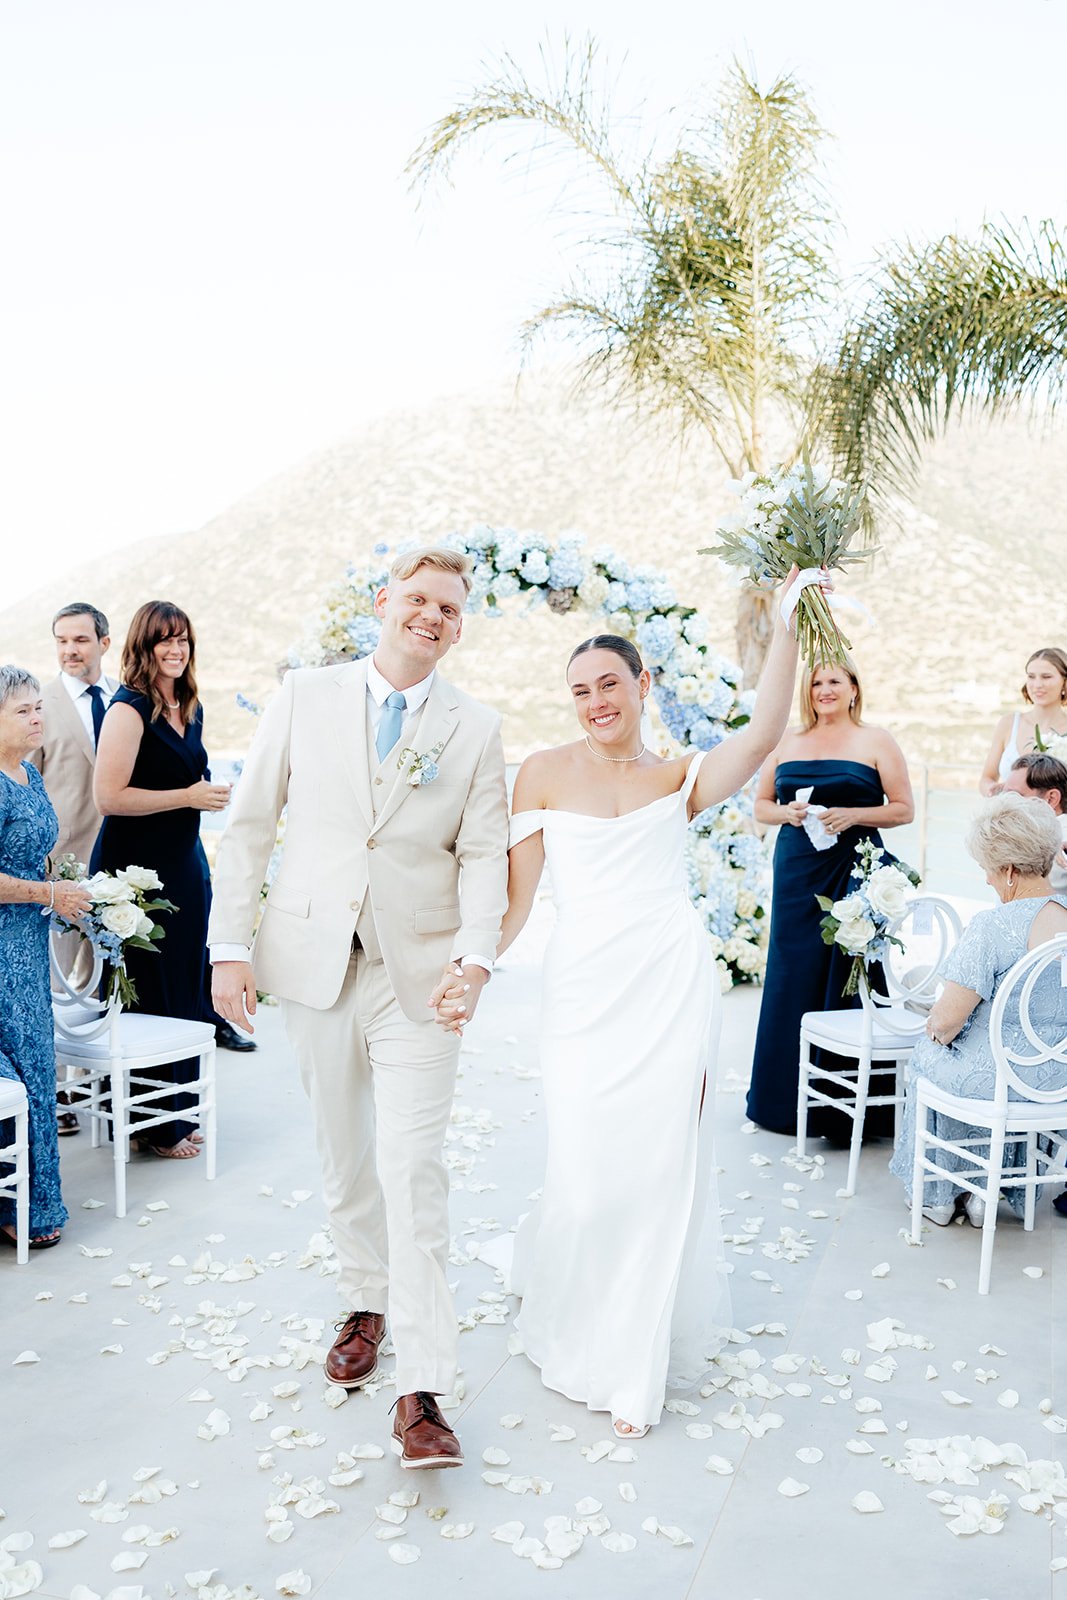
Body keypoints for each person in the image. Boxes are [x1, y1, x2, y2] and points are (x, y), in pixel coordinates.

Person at [435, 573, 810, 1440]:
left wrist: (790, 625)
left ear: (643, 685)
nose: (595, 702)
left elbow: (761, 733)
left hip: (669, 984)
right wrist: (475, 969)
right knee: (586, 1168)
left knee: (657, 1169)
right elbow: (516, 899)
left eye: (609, 683)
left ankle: (628, 1364)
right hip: (581, 988)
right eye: (579, 691)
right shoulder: (539, 773)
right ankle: (574, 1309)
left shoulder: (680, 777)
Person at [208, 548, 508, 1470]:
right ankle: (365, 1300)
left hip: (420, 975)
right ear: (384, 602)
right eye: (417, 599)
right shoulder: (305, 694)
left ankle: (422, 1388)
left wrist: (474, 960)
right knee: (345, 1156)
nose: (431, 617)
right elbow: (249, 825)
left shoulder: (475, 727)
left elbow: (483, 854)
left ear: (459, 625)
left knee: (413, 1169)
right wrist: (228, 946)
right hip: (313, 964)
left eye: (448, 608)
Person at [746, 655, 914, 1137]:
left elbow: (904, 809)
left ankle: (849, 1112)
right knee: (791, 971)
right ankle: (781, 1103)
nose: (824, 689)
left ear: (854, 687)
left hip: (854, 867)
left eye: (834, 680)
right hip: (796, 870)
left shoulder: (876, 740)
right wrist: (789, 813)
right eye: (816, 681)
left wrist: (853, 814)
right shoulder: (786, 740)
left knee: (849, 970)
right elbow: (761, 806)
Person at [92, 601, 235, 1159]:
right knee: (147, 991)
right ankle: (149, 1123)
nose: (176, 650)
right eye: (164, 640)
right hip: (135, 873)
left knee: (183, 985)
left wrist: (206, 796)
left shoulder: (190, 705)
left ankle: (175, 1111)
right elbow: (109, 797)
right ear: (144, 646)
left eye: (183, 640)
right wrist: (188, 796)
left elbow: (190, 781)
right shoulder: (128, 709)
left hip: (184, 863)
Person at [889, 793, 1067, 1225]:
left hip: (1003, 1081)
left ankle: (940, 1196)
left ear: (1009, 871)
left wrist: (938, 1031)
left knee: (932, 1055)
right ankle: (986, 1192)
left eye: (989, 869)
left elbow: (947, 1020)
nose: (986, 880)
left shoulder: (993, 926)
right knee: (976, 1059)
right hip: (1057, 1078)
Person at [0, 666, 91, 1248]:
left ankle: (32, 1202)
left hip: (28, 945)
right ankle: (10, 1202)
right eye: (22, 711)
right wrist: (47, 894)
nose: (38, 718)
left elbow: (35, 854)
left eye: (39, 707)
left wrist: (65, 888)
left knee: (35, 1061)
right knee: (13, 1066)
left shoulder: (29, 774)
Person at [29, 602, 120, 1134]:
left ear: (104, 643)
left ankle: (106, 1084)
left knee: (110, 980)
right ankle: (60, 1092)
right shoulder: (38, 705)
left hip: (122, 868)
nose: (69, 650)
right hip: (62, 868)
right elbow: (26, 786)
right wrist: (41, 871)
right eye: (61, 640)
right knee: (61, 987)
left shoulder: (126, 700)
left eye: (80, 640)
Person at [979, 646, 1067, 796]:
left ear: (1064, 682)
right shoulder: (1009, 723)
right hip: (1010, 809)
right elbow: (987, 778)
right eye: (1031, 676)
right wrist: (994, 790)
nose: (1037, 685)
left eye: (1046, 677)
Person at [1001, 752, 1067, 893]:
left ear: (1051, 799)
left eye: (1015, 795)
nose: (1005, 802)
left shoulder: (1060, 837)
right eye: (1005, 794)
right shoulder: (1023, 830)